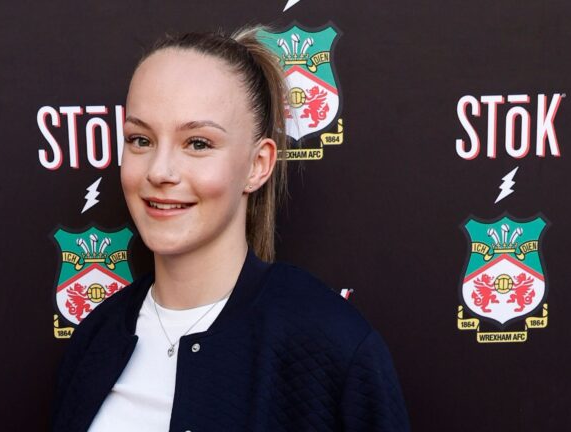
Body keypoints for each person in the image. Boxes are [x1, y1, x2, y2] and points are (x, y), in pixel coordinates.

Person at [53, 26, 409, 432]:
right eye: (140, 140)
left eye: (198, 143)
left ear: (258, 165)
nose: (159, 171)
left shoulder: (333, 344)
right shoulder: (95, 339)